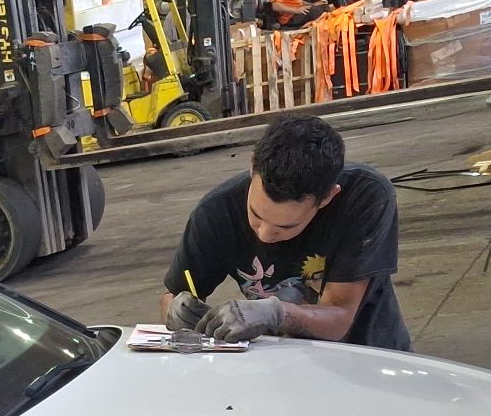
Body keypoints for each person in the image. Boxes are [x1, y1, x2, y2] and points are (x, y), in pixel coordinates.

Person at [159, 113, 411, 350]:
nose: (265, 234)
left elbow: (339, 318)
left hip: (369, 355)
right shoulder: (216, 213)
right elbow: (172, 296)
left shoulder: (364, 197)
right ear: (252, 167)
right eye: (256, 215)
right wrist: (175, 311)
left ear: (326, 197)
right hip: (281, 361)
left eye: (286, 226)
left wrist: (278, 313)